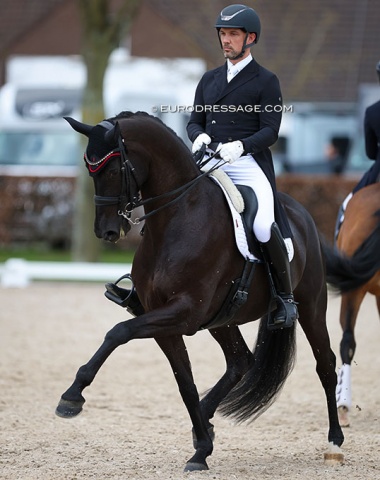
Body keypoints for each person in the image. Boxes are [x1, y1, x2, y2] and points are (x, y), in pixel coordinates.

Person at [187, 4, 298, 330]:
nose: (226, 40)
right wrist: (198, 136)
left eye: (233, 34)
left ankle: (284, 298)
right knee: (175, 205)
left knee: (263, 225)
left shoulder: (266, 81)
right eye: (223, 33)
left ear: (250, 38)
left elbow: (270, 130)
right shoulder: (209, 79)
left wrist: (242, 145)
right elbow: (195, 121)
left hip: (248, 164)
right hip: (211, 160)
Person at [335, 60, 380, 239]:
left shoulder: (372, 111)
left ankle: (339, 238)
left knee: (347, 205)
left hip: (378, 169)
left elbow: (370, 153)